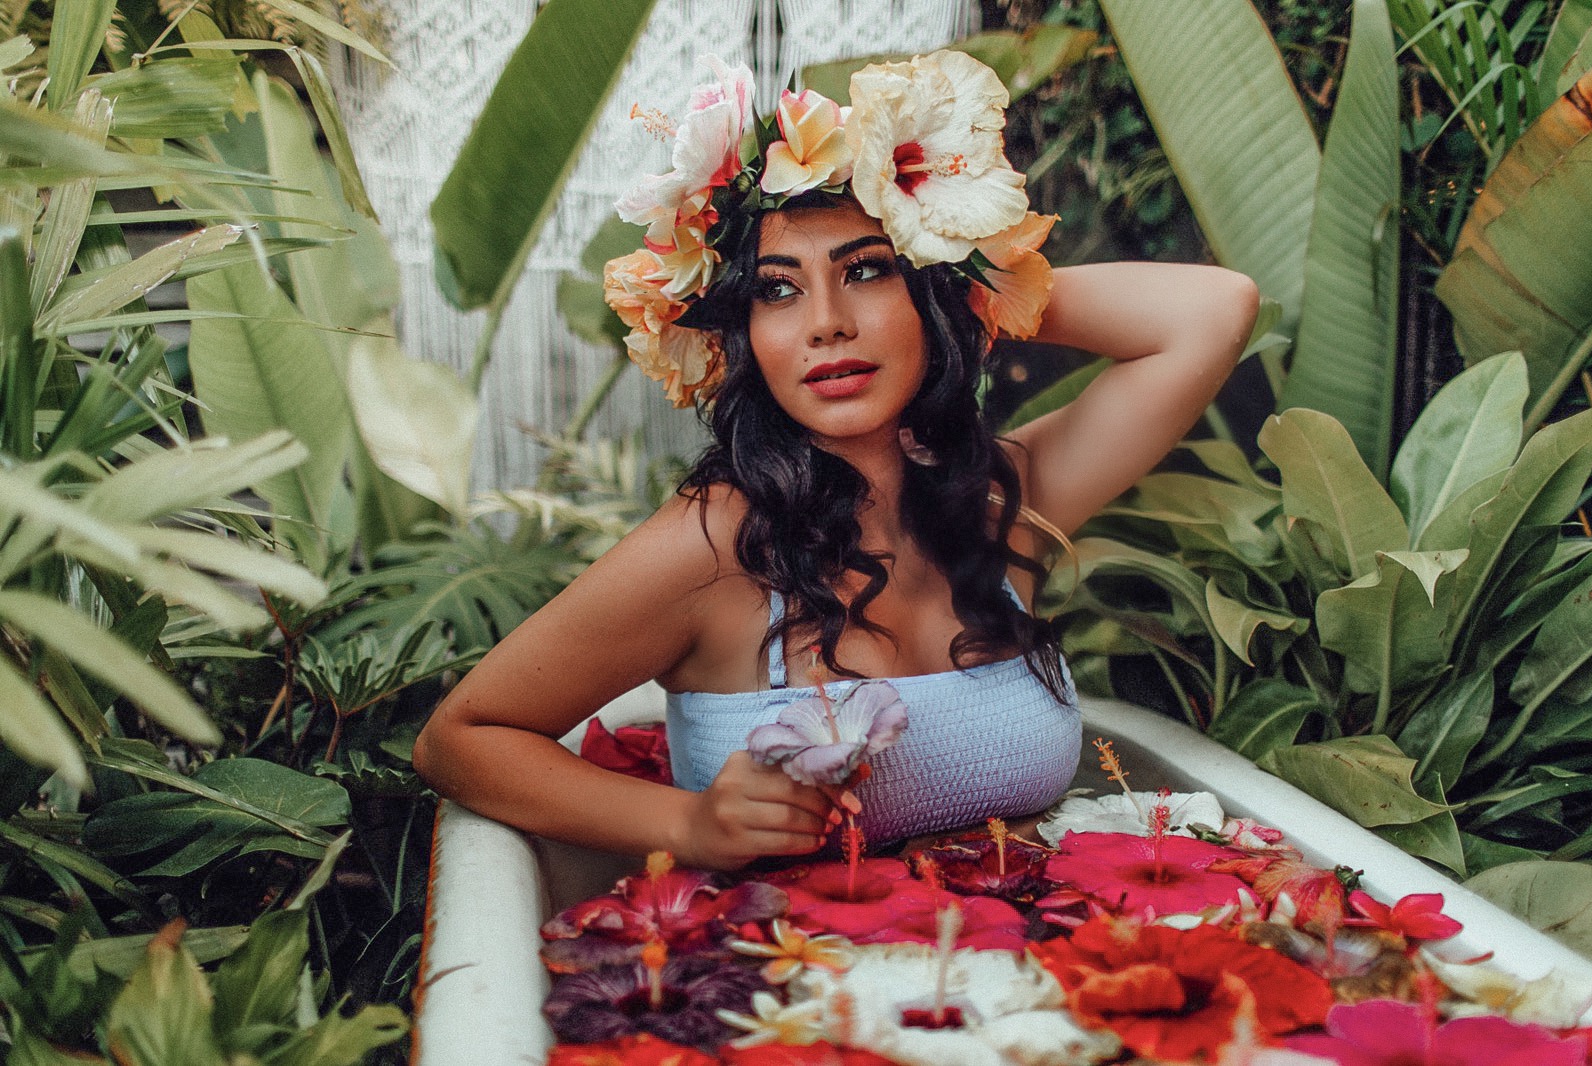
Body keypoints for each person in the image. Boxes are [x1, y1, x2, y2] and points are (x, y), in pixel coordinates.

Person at [412, 51, 1257, 872]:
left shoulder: (999, 502)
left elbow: (1214, 312)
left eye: (867, 272)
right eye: (777, 289)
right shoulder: (715, 546)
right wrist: (691, 823)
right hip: (795, 990)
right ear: (744, 331)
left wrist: (972, 282)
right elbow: (462, 739)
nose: (825, 322)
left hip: (1031, 980)